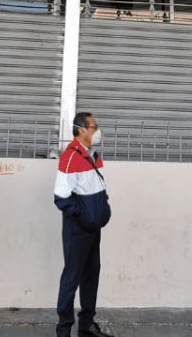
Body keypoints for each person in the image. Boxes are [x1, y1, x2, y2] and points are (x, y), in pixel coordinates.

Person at [53, 113, 113, 337]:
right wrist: (84, 216)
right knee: (72, 278)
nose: (98, 132)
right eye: (95, 127)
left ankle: (86, 325)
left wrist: (102, 211)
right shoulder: (69, 157)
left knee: (91, 275)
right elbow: (61, 197)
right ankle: (64, 331)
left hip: (92, 229)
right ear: (82, 130)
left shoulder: (94, 157)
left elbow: (98, 191)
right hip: (77, 229)